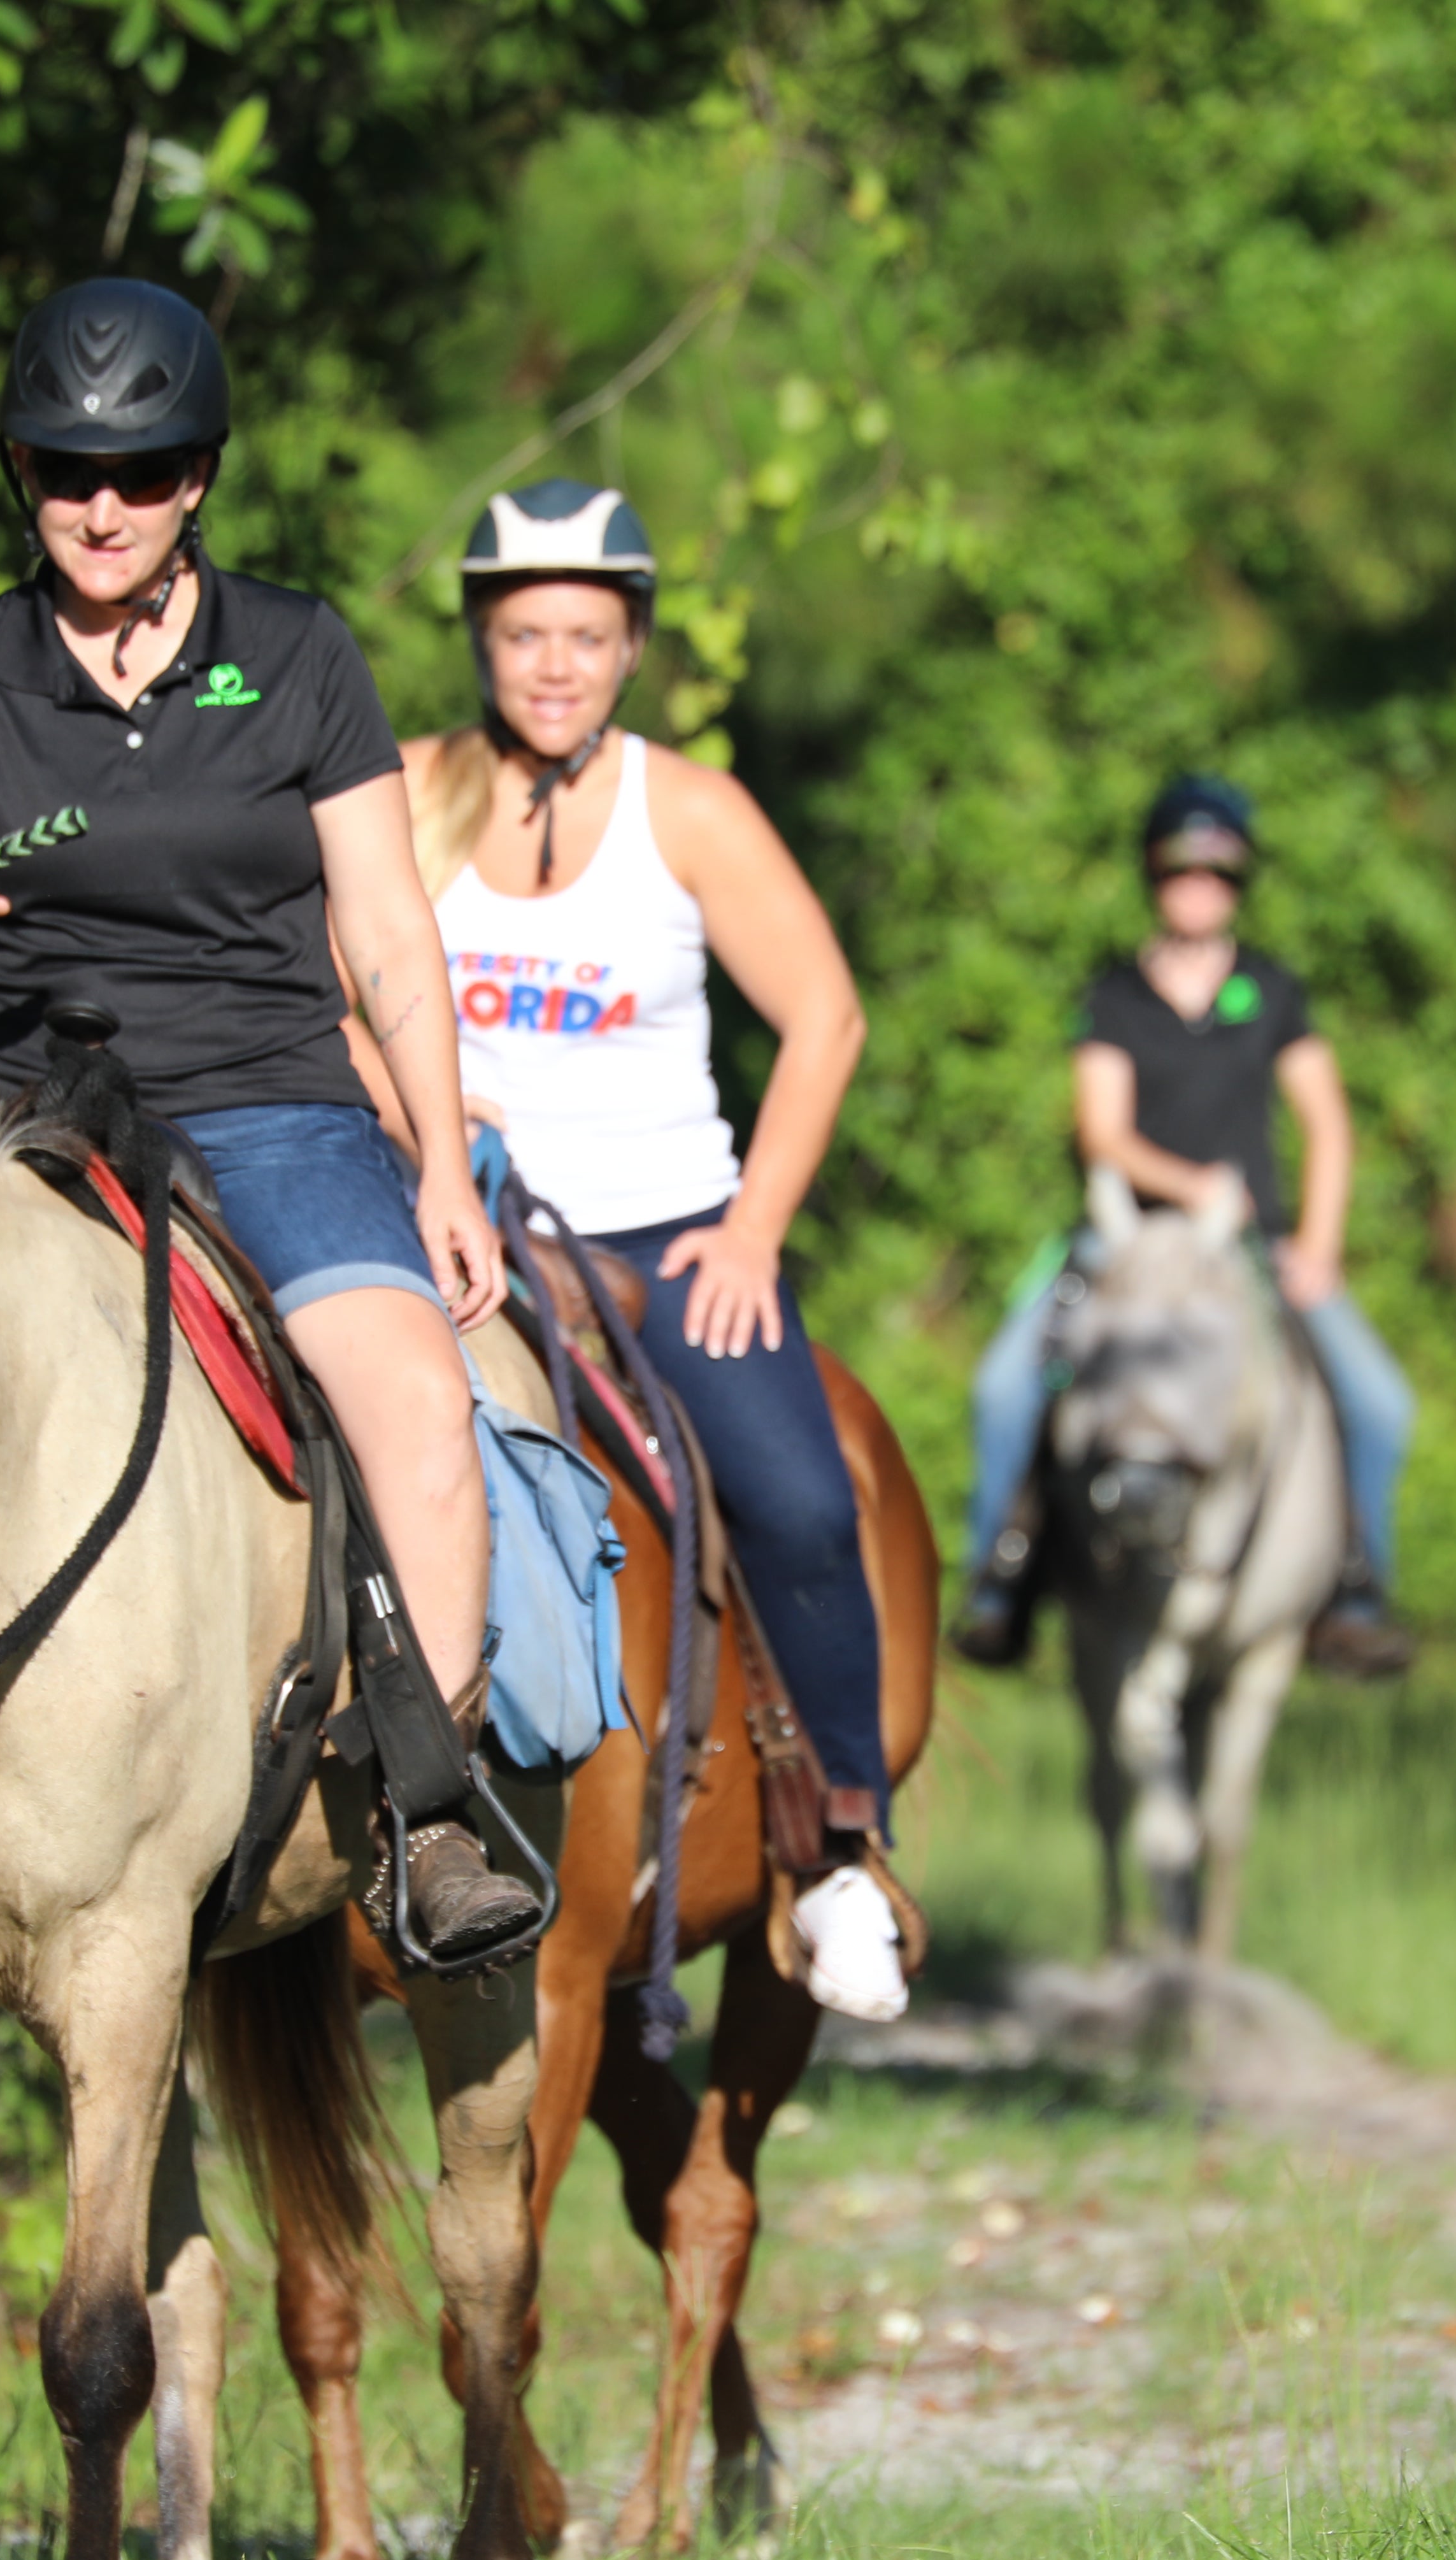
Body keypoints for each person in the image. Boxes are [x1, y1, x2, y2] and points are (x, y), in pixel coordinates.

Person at [0, 276, 543, 1957]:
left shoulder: (299, 654)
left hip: (280, 1108)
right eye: (66, 470)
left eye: (139, 474)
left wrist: (440, 1165)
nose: (100, 506)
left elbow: (385, 935)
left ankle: (426, 1817)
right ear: (21, 471)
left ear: (197, 481)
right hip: (32, 1123)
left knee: (423, 1418)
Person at [383, 477, 908, 2020]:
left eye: (588, 636)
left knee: (807, 1501)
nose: (555, 663)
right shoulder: (410, 794)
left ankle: (847, 1852)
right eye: (527, 630)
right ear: (484, 638)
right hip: (446, 1208)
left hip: (662, 1227)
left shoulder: (693, 810)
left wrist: (752, 1231)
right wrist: (413, 1105)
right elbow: (319, 988)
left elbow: (826, 1018)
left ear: (630, 650)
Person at [948, 774, 1418, 1682]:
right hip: (1123, 1240)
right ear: (1154, 879)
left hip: (1248, 1250)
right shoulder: (1116, 997)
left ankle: (1355, 1586)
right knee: (1004, 1385)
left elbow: (1326, 1123)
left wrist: (1317, 1244)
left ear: (1239, 884)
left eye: (1217, 874)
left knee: (1380, 1403)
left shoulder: (1273, 993)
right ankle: (1001, 1573)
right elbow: (1104, 1133)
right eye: (1181, 872)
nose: (1198, 889)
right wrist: (1194, 1183)